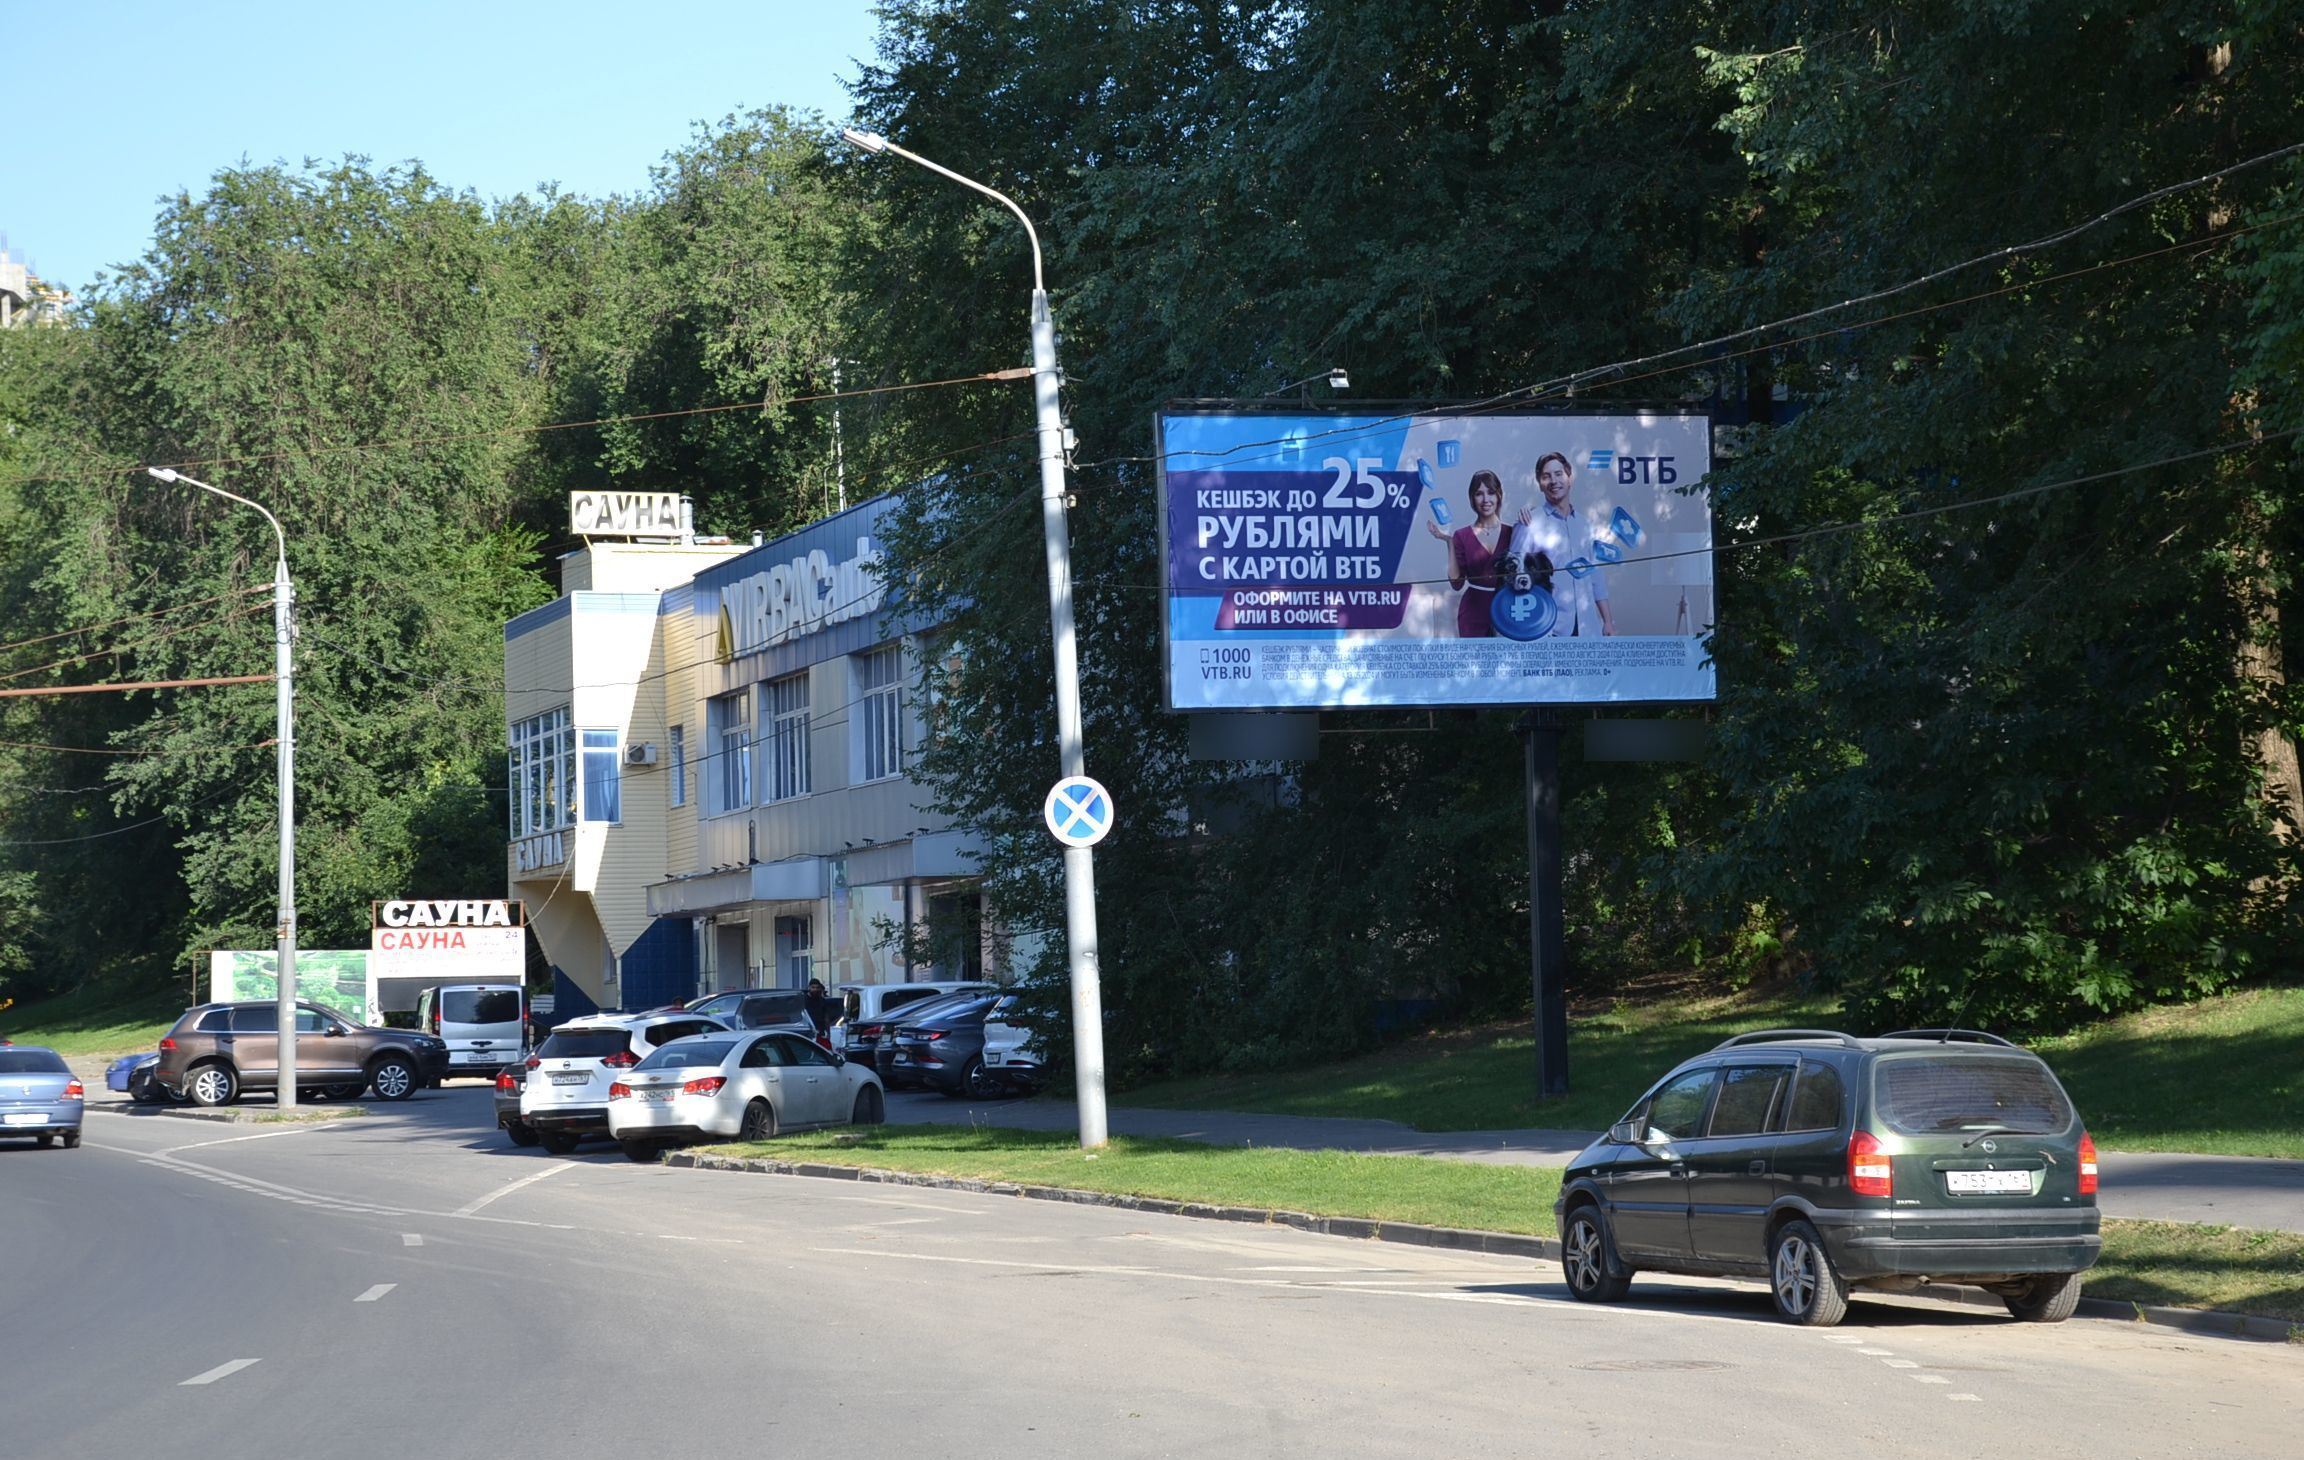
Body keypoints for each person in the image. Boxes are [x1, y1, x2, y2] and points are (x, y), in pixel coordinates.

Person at [1425, 469, 1539, 638]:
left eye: (1491, 493)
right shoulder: (1461, 535)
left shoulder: (1513, 532)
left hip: (1509, 608)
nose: (1486, 499)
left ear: (1499, 496)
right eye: (1479, 494)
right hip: (1473, 612)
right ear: (1472, 498)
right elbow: (1456, 583)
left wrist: (1531, 511)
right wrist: (1449, 542)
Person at [1515, 452, 1615, 637]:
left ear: (1570, 478)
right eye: (1546, 476)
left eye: (1559, 474)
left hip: (1588, 627)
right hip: (1548, 628)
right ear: (1539, 484)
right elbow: (1514, 574)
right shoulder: (1529, 523)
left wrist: (1608, 621)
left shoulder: (1585, 525)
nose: (1554, 481)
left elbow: (1596, 576)